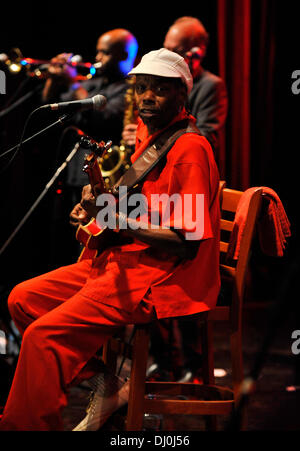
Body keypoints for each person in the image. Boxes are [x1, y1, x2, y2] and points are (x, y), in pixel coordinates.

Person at [0, 48, 220, 431]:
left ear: (182, 95)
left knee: (41, 337)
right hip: (125, 263)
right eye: (142, 88)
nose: (147, 97)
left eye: (159, 90)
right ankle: (108, 382)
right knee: (21, 299)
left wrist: (118, 220)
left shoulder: (189, 150)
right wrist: (99, 203)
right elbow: (147, 204)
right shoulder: (151, 133)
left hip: (160, 278)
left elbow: (188, 239)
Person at [43, 29, 139, 266]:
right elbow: (54, 107)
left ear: (123, 54)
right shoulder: (94, 82)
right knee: (69, 234)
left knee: (89, 241)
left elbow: (102, 117)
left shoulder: (128, 89)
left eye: (104, 52)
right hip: (74, 170)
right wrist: (55, 79)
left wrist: (72, 81)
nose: (97, 56)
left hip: (102, 178)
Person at [123, 16, 228, 164]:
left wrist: (150, 140)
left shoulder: (211, 85)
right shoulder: (143, 129)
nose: (147, 97)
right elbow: (127, 185)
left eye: (175, 51)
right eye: (140, 88)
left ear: (197, 53)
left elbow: (206, 139)